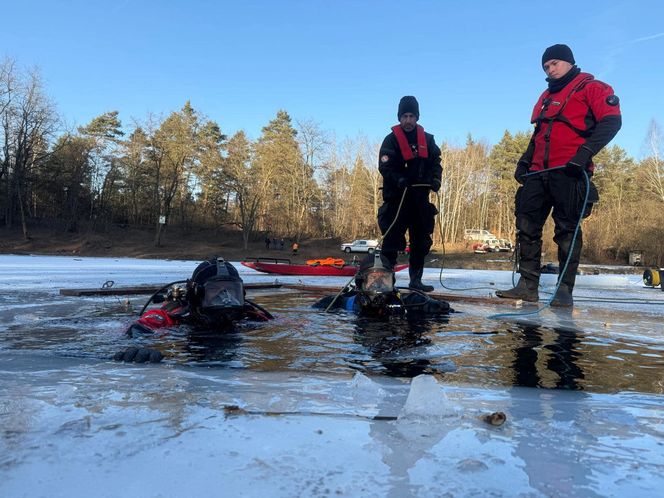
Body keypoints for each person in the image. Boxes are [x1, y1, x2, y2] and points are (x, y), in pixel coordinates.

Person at [496, 44, 621, 307]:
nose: (550, 69)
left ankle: (564, 289)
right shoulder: (544, 96)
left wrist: (584, 154)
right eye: (546, 67)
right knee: (526, 228)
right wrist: (524, 161)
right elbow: (539, 134)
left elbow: (612, 122)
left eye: (554, 64)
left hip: (570, 172)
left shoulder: (593, 88)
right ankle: (527, 285)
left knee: (567, 231)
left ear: (569, 62)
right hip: (538, 173)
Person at [377, 96, 442, 293]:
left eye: (411, 116)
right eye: (404, 116)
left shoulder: (428, 141)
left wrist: (436, 180)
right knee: (391, 241)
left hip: (420, 200)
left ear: (417, 117)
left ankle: (416, 280)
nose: (408, 120)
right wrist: (398, 179)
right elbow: (385, 166)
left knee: (421, 241)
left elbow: (436, 164)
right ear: (399, 117)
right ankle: (387, 280)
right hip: (398, 199)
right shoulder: (391, 140)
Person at [313, 252, 451, 317]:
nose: (378, 284)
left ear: (392, 282)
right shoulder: (339, 303)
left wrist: (435, 306)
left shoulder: (409, 303)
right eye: (373, 278)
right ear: (361, 283)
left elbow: (432, 307)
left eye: (384, 278)